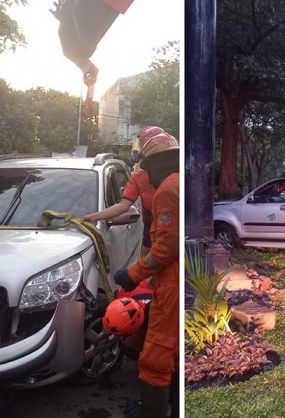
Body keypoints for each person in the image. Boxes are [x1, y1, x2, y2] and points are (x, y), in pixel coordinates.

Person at [113, 132, 179, 418]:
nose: (145, 175)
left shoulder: (167, 190)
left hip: (172, 286)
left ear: (156, 164)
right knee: (174, 352)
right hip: (174, 281)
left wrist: (132, 274)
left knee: (155, 358)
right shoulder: (178, 183)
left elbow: (165, 249)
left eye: (146, 168)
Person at [83, 126, 164, 256]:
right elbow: (122, 205)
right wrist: (92, 217)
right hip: (153, 233)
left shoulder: (178, 175)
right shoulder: (139, 178)